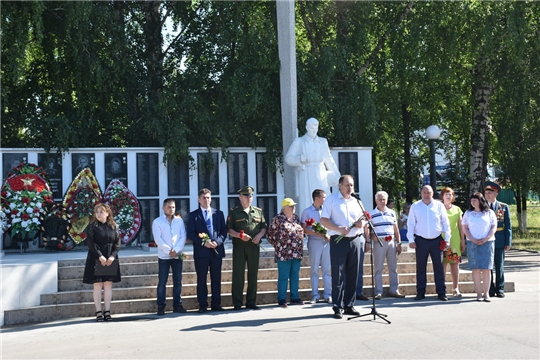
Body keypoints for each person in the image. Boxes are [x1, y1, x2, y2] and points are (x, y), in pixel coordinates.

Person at [320, 175, 366, 319]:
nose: (350, 188)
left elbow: (364, 219)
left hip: (355, 240)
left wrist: (362, 224)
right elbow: (323, 220)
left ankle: (349, 305)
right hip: (339, 241)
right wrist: (338, 228)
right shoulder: (331, 200)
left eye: (352, 185)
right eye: (347, 185)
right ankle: (337, 306)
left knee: (353, 273)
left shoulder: (357, 202)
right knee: (338, 274)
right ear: (340, 185)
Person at [285, 117, 341, 216]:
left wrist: (336, 173)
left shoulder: (323, 141)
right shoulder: (300, 141)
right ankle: (309, 223)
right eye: (312, 128)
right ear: (307, 127)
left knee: (324, 199)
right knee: (308, 200)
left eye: (316, 128)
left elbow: (329, 159)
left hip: (321, 174)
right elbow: (288, 158)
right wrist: (299, 159)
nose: (314, 131)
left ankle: (326, 221)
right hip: (307, 174)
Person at [407, 185, 451, 301]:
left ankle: (441, 292)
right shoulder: (415, 206)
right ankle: (420, 292)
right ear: (421, 193)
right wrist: (411, 240)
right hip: (421, 240)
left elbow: (445, 223)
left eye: (429, 192)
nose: (427, 195)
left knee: (439, 267)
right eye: (424, 192)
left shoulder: (439, 206)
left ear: (432, 193)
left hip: (437, 240)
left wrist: (447, 239)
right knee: (421, 268)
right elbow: (410, 224)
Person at [227, 186, 267, 310]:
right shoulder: (234, 211)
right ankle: (237, 303)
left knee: (253, 274)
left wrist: (260, 236)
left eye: (250, 196)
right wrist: (239, 235)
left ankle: (251, 301)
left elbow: (263, 227)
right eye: (246, 196)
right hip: (239, 247)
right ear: (240, 197)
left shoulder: (258, 211)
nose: (249, 198)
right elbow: (228, 229)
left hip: (254, 247)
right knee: (238, 275)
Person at [187, 188, 227, 313]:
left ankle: (216, 304)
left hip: (216, 250)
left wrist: (217, 242)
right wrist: (204, 242)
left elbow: (223, 232)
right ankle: (202, 305)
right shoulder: (193, 215)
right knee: (202, 278)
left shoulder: (218, 214)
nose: (206, 200)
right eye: (204, 198)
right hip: (201, 252)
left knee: (216, 278)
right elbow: (191, 233)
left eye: (208, 197)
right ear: (199, 199)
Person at [82, 203, 121, 322]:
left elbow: (117, 243)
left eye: (101, 212)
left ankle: (107, 311)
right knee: (98, 285)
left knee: (108, 284)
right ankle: (99, 311)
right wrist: (100, 256)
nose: (99, 214)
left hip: (110, 258)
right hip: (96, 257)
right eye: (97, 212)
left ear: (107, 213)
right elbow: (91, 244)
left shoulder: (114, 226)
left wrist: (112, 256)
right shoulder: (93, 226)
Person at [267, 198, 305, 307]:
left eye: (294, 206)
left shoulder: (296, 219)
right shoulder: (278, 219)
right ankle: (282, 298)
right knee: (283, 276)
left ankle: (295, 297)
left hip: (296, 252)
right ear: (284, 208)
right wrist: (279, 246)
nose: (294, 208)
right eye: (291, 206)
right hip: (283, 253)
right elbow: (270, 235)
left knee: (295, 275)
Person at [152, 198, 187, 315]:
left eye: (173, 207)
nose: (171, 209)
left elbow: (183, 236)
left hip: (177, 256)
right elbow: (158, 239)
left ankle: (177, 305)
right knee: (162, 282)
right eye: (169, 207)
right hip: (164, 257)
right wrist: (169, 251)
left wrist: (176, 250)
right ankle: (161, 306)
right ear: (163, 208)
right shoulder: (157, 222)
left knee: (178, 281)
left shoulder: (179, 221)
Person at [367, 191, 404, 299]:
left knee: (393, 267)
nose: (382, 201)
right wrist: (371, 236)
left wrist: (399, 242)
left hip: (391, 241)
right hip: (379, 242)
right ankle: (378, 291)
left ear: (386, 200)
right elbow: (368, 228)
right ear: (376, 201)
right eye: (380, 199)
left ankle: (394, 290)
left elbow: (396, 229)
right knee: (378, 268)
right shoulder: (371, 214)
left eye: (384, 199)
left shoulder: (392, 212)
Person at [462, 192, 497, 302]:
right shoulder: (468, 213)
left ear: (480, 201)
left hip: (487, 242)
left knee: (487, 269)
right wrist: (472, 239)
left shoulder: (489, 213)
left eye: (475, 200)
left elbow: (493, 227)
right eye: (471, 200)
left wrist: (486, 238)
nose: (473, 202)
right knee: (476, 269)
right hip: (473, 243)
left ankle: (486, 293)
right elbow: (465, 228)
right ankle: (478, 294)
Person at [301, 189, 332, 304]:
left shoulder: (327, 210)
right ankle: (315, 295)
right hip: (314, 242)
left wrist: (328, 235)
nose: (325, 199)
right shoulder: (307, 212)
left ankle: (328, 294)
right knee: (314, 269)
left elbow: (331, 225)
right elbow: (303, 229)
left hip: (327, 242)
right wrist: (315, 233)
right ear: (317, 198)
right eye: (324, 197)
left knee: (327, 269)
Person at [483, 181, 512, 298]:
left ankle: (500, 289)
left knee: (499, 265)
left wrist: (508, 242)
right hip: (486, 240)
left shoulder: (503, 207)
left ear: (496, 193)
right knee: (488, 265)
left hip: (499, 239)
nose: (487, 195)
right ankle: (490, 289)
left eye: (490, 192)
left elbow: (508, 226)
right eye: (486, 192)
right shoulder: (482, 207)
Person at [440, 187, 465, 297]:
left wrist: (463, 240)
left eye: (450, 194)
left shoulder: (457, 209)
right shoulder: (438, 208)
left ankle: (455, 288)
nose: (448, 196)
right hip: (441, 240)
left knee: (454, 264)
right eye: (446, 194)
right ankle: (442, 288)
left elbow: (460, 226)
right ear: (442, 196)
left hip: (454, 240)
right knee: (442, 264)